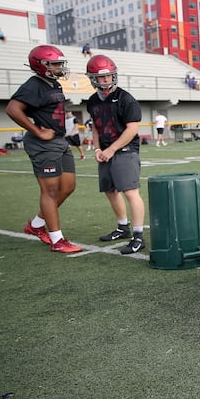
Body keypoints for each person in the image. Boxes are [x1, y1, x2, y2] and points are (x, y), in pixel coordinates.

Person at [5, 45, 82, 253]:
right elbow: (12, 108)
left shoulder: (54, 84)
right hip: (43, 144)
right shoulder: (34, 84)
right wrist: (37, 131)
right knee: (50, 191)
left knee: (68, 187)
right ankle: (58, 241)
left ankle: (36, 225)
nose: (59, 67)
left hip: (59, 141)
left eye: (59, 63)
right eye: (54, 64)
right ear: (41, 66)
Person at [86, 54, 146, 254]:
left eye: (109, 76)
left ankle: (138, 235)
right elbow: (95, 127)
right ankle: (123, 227)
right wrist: (97, 149)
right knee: (110, 190)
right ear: (93, 78)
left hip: (125, 150)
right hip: (105, 150)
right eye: (102, 77)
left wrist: (111, 149)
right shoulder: (92, 101)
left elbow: (131, 130)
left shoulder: (125, 98)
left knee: (130, 191)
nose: (106, 80)